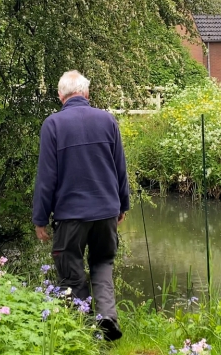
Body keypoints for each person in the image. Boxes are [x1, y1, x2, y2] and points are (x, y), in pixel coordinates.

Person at [32, 70, 130, 341]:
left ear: (60, 96)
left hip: (71, 215)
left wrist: (40, 219)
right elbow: (120, 168)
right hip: (106, 211)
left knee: (71, 270)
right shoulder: (108, 120)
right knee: (102, 263)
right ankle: (107, 317)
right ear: (87, 94)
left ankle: (82, 329)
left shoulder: (53, 125)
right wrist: (122, 205)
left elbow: (46, 177)